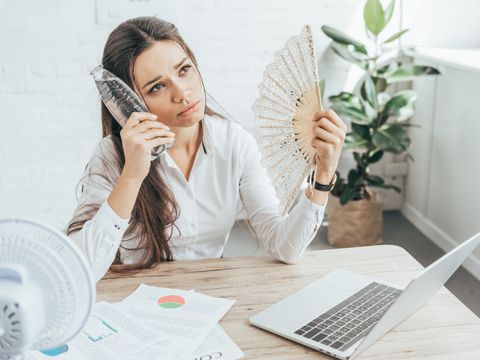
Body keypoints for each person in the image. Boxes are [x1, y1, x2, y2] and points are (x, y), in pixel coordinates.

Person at [67, 16, 347, 282]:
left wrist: (322, 175)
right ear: (130, 103)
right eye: (157, 87)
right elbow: (78, 270)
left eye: (184, 70)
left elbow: (285, 247)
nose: (182, 93)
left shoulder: (233, 143)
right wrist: (131, 176)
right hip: (137, 303)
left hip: (211, 296)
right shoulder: (112, 156)